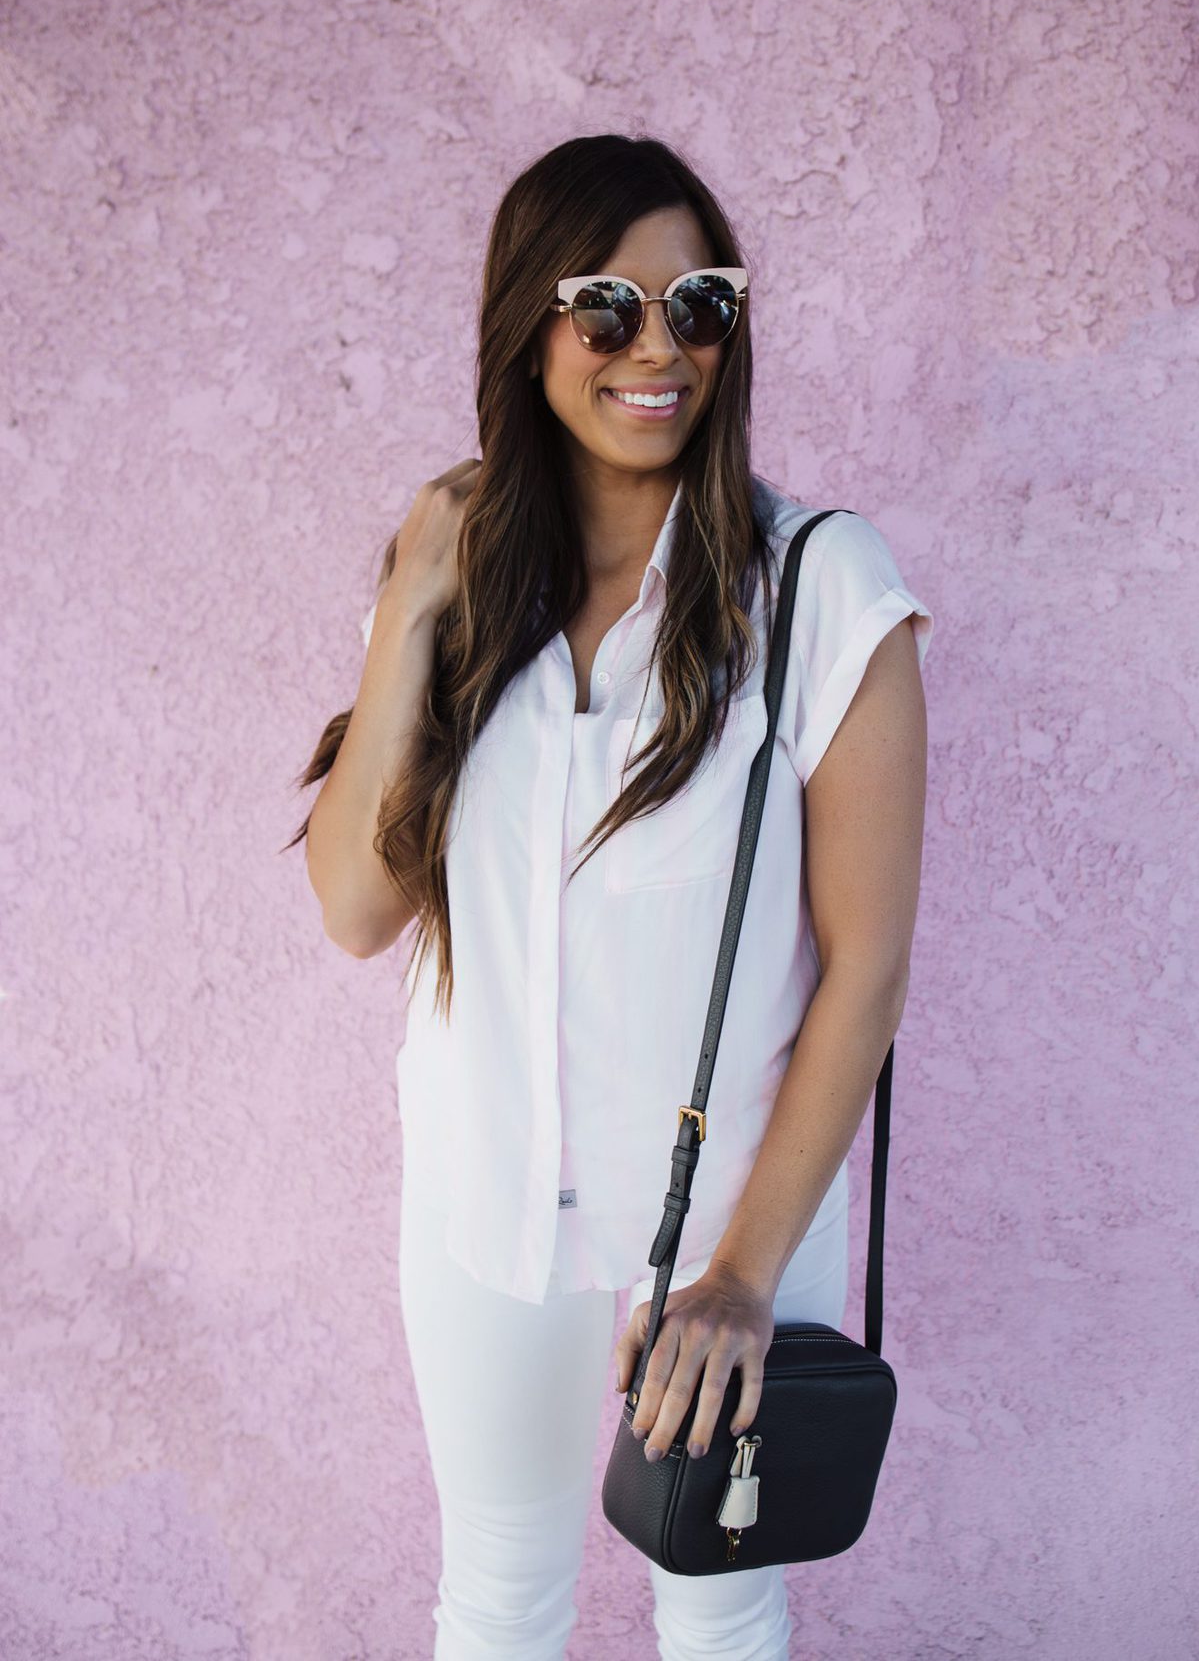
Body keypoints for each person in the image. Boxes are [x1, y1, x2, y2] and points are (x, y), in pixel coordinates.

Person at [291, 133, 935, 1660]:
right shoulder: (459, 573)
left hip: (727, 1227)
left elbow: (866, 968)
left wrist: (741, 1279)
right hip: (479, 1199)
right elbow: (355, 908)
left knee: (716, 1606)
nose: (660, 349)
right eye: (609, 308)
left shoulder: (821, 587)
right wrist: (415, 606)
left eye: (698, 306)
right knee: (497, 1602)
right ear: (530, 324)